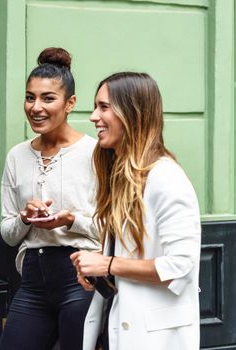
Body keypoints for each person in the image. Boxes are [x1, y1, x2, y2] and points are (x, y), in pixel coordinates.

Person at [70, 72, 201, 350]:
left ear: (132, 113)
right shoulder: (122, 176)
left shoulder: (167, 178)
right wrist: (101, 271)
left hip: (155, 336)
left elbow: (180, 266)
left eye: (104, 107)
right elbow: (130, 254)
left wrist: (107, 265)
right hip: (117, 326)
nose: (94, 116)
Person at [0, 47, 102, 350]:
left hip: (81, 276)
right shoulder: (17, 156)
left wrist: (72, 220)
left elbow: (113, 227)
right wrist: (23, 218)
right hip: (32, 278)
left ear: (70, 103)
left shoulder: (96, 153)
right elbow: (7, 234)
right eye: (30, 97)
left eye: (48, 98)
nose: (36, 107)